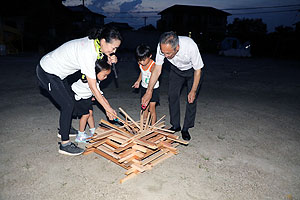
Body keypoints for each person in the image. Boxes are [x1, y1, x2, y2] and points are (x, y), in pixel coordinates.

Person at [36, 26, 122, 155]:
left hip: (60, 74)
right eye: (113, 48)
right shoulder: (87, 52)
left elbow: (99, 59)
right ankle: (65, 144)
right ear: (103, 41)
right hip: (48, 71)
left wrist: (109, 56)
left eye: (116, 48)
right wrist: (107, 108)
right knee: (68, 105)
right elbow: (93, 87)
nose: (114, 50)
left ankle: (64, 130)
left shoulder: (95, 43)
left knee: (70, 100)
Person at [141, 31, 204, 141]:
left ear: (177, 47)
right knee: (172, 95)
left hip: (192, 71)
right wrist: (149, 90)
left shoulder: (190, 46)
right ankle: (176, 125)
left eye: (168, 53)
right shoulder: (162, 46)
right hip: (175, 70)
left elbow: (198, 70)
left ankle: (186, 128)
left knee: (191, 99)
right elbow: (157, 69)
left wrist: (193, 90)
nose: (165, 56)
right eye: (163, 53)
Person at [72, 56, 112, 143]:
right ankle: (80, 135)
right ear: (96, 72)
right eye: (104, 75)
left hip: (86, 96)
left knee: (90, 112)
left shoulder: (96, 78)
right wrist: (109, 109)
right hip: (78, 96)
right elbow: (101, 97)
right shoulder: (90, 80)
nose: (106, 77)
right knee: (85, 115)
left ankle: (92, 131)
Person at [132, 44, 159, 125]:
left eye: (143, 60)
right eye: (140, 60)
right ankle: (144, 125)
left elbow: (155, 77)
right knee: (144, 108)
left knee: (151, 108)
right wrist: (138, 81)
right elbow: (142, 73)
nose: (141, 62)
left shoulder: (153, 66)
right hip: (144, 88)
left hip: (153, 89)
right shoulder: (140, 64)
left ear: (150, 56)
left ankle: (153, 127)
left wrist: (149, 90)